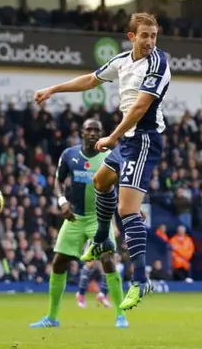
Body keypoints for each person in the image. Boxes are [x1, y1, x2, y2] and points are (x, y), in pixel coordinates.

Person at [34, 12, 170, 310]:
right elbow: (91, 80)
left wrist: (112, 138)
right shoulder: (122, 61)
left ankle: (140, 280)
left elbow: (139, 107)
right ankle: (102, 240)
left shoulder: (159, 63)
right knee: (100, 180)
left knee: (127, 209)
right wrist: (54, 89)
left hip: (144, 139)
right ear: (132, 36)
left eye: (154, 36)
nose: (150, 41)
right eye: (144, 35)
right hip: (130, 139)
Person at [29, 119, 128, 328]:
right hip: (75, 217)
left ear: (102, 134)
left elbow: (123, 184)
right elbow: (58, 181)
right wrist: (62, 200)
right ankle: (52, 317)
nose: (92, 133)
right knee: (58, 262)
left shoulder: (111, 156)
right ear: (81, 132)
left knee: (108, 259)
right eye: (89, 130)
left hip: (99, 217)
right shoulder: (69, 155)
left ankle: (121, 315)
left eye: (97, 130)